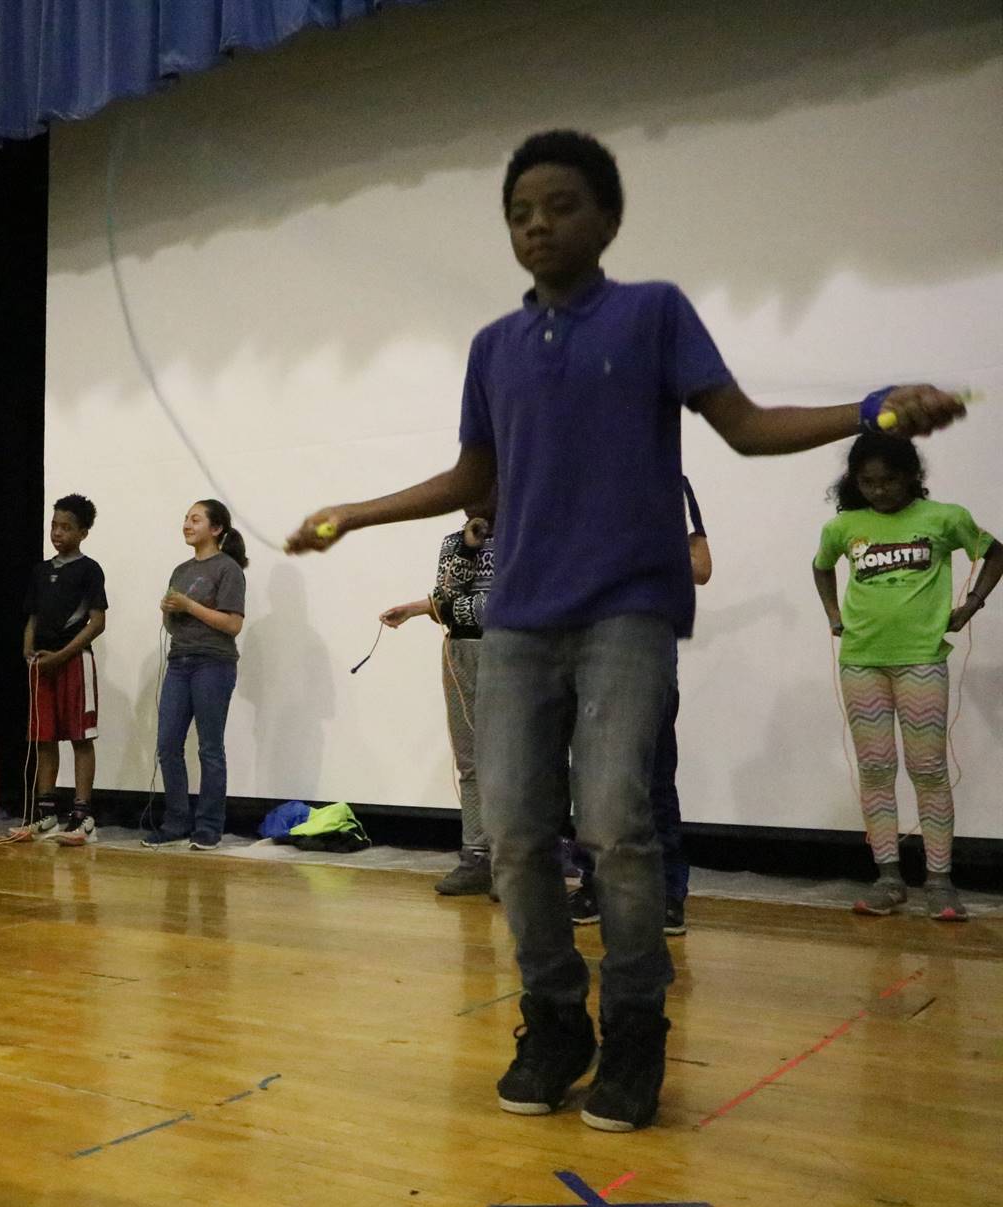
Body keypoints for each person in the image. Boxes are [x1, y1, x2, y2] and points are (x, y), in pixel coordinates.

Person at [287, 129, 967, 1132]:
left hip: (626, 612)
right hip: (518, 616)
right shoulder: (495, 347)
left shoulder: (653, 315)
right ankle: (556, 1019)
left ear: (607, 217)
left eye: (560, 205)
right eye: (520, 211)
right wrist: (353, 513)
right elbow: (475, 478)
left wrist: (871, 411)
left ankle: (635, 1028)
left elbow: (744, 423)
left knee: (612, 821)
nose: (537, 224)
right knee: (515, 832)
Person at [814, 431, 998, 922]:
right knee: (876, 770)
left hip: (920, 659)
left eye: (890, 481)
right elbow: (821, 568)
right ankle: (888, 878)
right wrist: (834, 614)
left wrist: (972, 604)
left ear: (913, 477)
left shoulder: (944, 518)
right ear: (854, 482)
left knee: (928, 769)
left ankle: (939, 882)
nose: (879, 491)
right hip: (861, 660)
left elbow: (995, 552)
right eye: (868, 482)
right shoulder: (844, 526)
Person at [569, 478, 712, 935]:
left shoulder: (669, 483)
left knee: (652, 778)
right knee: (589, 776)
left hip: (645, 649)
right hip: (582, 650)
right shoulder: (570, 484)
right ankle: (594, 884)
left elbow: (701, 567)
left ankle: (669, 895)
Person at [379, 488, 498, 897]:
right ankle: (475, 858)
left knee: (514, 761)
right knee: (470, 759)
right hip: (461, 650)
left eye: (483, 485)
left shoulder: (527, 535)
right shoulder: (454, 542)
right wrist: (468, 548)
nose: (472, 497)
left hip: (512, 652)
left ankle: (514, 863)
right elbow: (447, 600)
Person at [143, 499, 248, 852]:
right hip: (180, 661)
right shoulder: (181, 570)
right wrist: (169, 611)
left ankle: (208, 827)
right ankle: (176, 821)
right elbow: (173, 626)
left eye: (195, 519)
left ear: (216, 529)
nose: (187, 524)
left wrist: (189, 606)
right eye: (186, 519)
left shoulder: (228, 569)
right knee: (167, 744)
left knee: (209, 748)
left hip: (213, 664)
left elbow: (232, 624)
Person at [17, 494, 108, 845]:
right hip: (43, 665)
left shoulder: (89, 570)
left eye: (66, 527)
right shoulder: (41, 571)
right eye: (54, 525)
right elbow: (33, 617)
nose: (57, 532)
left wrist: (63, 654)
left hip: (73, 662)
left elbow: (96, 622)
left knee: (80, 737)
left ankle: (83, 816)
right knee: (44, 737)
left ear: (83, 532)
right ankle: (45, 813)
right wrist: (28, 649)